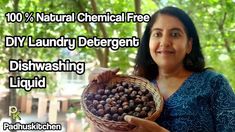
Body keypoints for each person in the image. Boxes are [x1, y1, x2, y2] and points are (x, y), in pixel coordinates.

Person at [88, 6, 235, 132]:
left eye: (175, 34)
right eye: (157, 34)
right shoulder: (136, 88)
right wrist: (97, 88)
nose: (164, 42)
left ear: (189, 45)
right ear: (148, 43)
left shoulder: (213, 83)